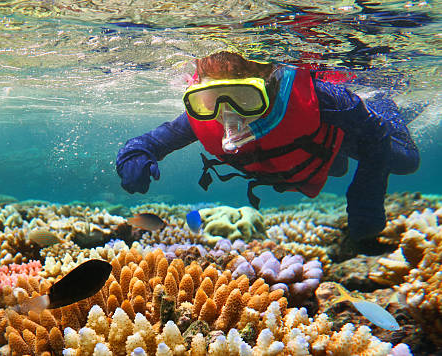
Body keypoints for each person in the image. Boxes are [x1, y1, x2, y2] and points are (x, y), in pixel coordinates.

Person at [116, 51, 419, 253]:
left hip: (332, 134)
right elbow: (152, 142)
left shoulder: (327, 100)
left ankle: (383, 104)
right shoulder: (205, 118)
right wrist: (133, 155)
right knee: (336, 168)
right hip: (309, 156)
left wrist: (365, 198)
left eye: (244, 99)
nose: (227, 115)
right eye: (210, 100)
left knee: (405, 160)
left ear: (271, 85)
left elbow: (376, 136)